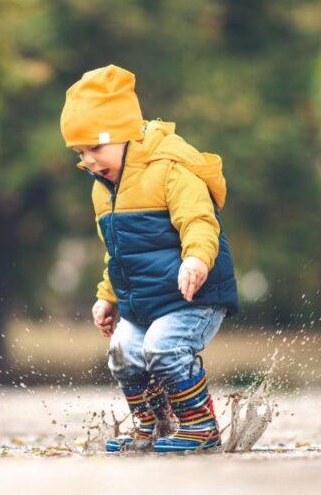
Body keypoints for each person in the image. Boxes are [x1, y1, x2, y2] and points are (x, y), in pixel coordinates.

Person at [60, 65, 238, 453]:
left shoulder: (170, 168)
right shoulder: (102, 189)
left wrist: (196, 261)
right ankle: (153, 426)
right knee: (123, 354)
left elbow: (199, 222)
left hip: (194, 294)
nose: (89, 160)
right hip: (144, 301)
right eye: (80, 152)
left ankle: (201, 427)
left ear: (124, 133)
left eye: (96, 147)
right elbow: (117, 252)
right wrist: (107, 296)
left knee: (163, 349)